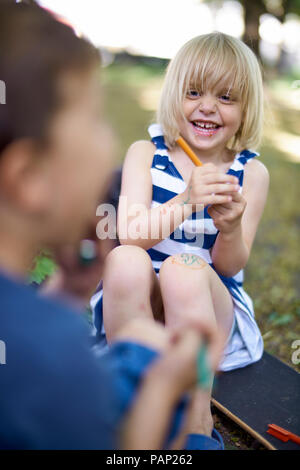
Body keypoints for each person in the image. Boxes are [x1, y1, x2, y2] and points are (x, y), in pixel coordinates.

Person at [0, 2, 223, 450]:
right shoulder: (57, 358)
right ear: (29, 177)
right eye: (96, 121)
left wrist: (65, 297)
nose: (111, 144)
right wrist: (163, 389)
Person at [91, 32, 270, 440]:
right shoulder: (146, 153)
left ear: (246, 108)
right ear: (175, 95)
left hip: (206, 307)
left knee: (183, 268)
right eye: (194, 92)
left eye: (226, 97)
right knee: (123, 259)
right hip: (141, 306)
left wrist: (229, 228)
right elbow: (131, 235)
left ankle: (195, 415)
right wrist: (186, 200)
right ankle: (129, 385)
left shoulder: (251, 174)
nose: (207, 106)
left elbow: (230, 265)